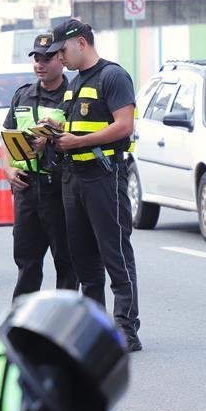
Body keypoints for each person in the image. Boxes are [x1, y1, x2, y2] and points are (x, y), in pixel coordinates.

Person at [45, 19, 141, 353]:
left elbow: (124, 126)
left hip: (104, 176)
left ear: (81, 43)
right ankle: (95, 330)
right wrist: (54, 127)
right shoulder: (74, 83)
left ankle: (126, 329)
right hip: (74, 179)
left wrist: (77, 142)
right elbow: (77, 124)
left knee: (114, 253)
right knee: (84, 260)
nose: (60, 58)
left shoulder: (112, 76)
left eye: (63, 50)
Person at [2, 33, 77, 298]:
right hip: (26, 190)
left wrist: (54, 139)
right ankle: (21, 327)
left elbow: (80, 139)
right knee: (27, 263)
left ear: (61, 59)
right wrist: (9, 171)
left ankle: (63, 328)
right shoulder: (22, 95)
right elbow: (6, 140)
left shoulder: (73, 96)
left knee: (66, 263)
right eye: (36, 58)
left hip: (59, 189)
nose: (40, 64)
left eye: (47, 58)